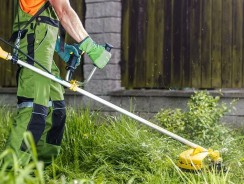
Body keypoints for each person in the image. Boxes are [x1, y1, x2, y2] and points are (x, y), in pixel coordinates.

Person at [5, 0, 111, 167]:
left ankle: (37, 172)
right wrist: (92, 48)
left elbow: (43, 21)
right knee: (34, 112)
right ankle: (9, 172)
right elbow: (63, 12)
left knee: (56, 111)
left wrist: (61, 48)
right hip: (34, 52)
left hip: (43, 54)